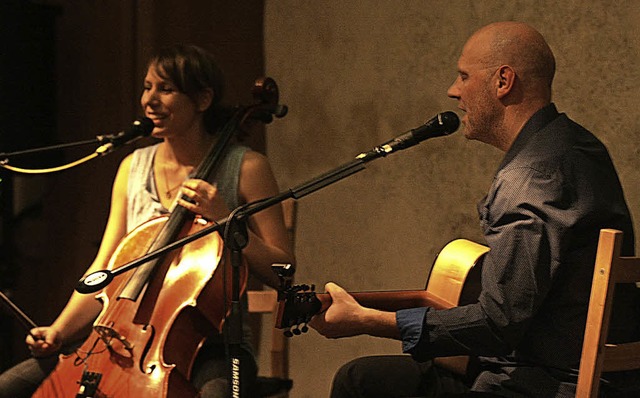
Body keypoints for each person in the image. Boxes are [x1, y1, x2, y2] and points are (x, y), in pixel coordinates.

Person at [309, 21, 640, 397]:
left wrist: (367, 320)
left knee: (359, 384)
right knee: (370, 378)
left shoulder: (528, 180)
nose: (453, 91)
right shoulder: (581, 146)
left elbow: (499, 324)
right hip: (591, 375)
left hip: (542, 384)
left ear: (503, 81)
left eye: (464, 76)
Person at [0, 44, 294, 397]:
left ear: (202, 100)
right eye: (147, 86)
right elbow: (105, 269)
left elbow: (284, 270)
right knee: (9, 387)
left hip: (213, 348)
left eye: (165, 89)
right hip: (118, 336)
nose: (148, 100)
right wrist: (59, 332)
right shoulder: (132, 168)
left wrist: (225, 221)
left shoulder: (246, 168)